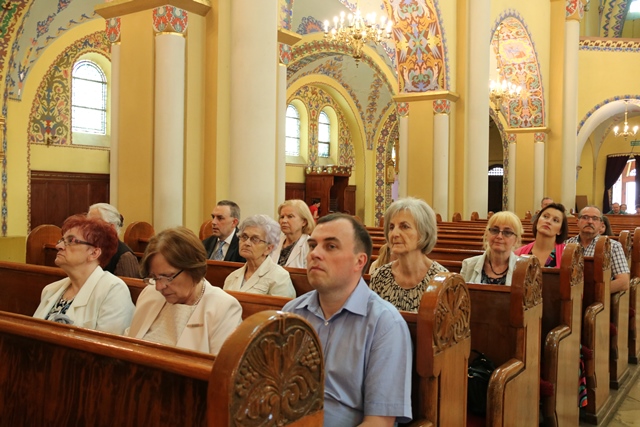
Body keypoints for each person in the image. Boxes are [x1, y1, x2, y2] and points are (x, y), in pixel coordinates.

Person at [283, 213, 412, 426]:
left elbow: (379, 422)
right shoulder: (292, 312)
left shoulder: (384, 324)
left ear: (359, 261)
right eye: (312, 245)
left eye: (331, 246)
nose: (315, 254)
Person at [128, 227, 243, 355]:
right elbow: (130, 345)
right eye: (154, 277)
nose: (159, 287)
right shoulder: (150, 294)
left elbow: (222, 366)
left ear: (193, 268)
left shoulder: (223, 308)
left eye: (167, 277)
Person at [33, 215, 135, 334]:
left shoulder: (113, 290)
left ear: (94, 253)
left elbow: (106, 343)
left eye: (71, 241)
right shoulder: (51, 290)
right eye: (61, 240)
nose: (58, 246)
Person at [369, 197, 448, 312]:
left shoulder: (442, 280)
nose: (394, 234)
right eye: (391, 227)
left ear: (423, 233)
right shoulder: (380, 277)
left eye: (404, 226)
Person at [223, 215, 295, 298]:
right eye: (244, 237)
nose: (247, 243)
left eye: (255, 239)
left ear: (268, 248)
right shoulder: (232, 277)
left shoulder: (280, 277)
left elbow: (281, 306)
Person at [565, 206, 629, 293]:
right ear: (577, 222)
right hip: (570, 295)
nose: (590, 221)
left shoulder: (613, 246)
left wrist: (591, 292)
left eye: (595, 218)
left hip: (597, 297)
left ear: (601, 225)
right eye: (585, 217)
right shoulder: (567, 245)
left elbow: (623, 282)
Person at [460, 211, 523, 285]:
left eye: (507, 232)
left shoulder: (522, 269)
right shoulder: (469, 265)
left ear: (516, 240)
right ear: (487, 234)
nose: (499, 236)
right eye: (495, 230)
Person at [87, 203, 139, 277]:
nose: (88, 229)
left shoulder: (124, 256)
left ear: (111, 228)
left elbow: (127, 284)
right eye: (87, 224)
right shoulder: (89, 249)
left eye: (95, 224)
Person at [515, 203, 568, 268]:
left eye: (555, 220)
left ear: (560, 231)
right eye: (545, 216)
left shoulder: (567, 254)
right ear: (537, 221)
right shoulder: (519, 253)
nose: (548, 221)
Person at [270, 199, 315, 268]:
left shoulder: (310, 245)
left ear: (304, 222)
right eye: (282, 217)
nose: (284, 221)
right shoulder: (276, 242)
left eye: (290, 216)